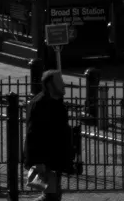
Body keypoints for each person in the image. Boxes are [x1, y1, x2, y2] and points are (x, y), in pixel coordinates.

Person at [23, 70, 72, 199]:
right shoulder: (39, 104)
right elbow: (33, 135)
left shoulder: (57, 102)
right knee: (51, 195)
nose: (63, 85)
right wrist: (38, 161)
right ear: (51, 85)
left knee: (54, 194)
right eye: (60, 82)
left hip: (56, 157)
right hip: (46, 159)